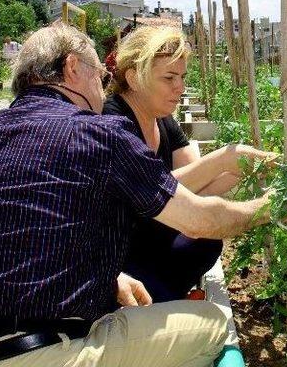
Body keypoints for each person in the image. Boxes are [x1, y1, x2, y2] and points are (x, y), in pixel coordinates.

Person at [0, 22, 276, 367]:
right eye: (98, 74)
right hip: (35, 353)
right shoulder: (97, 133)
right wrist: (270, 207)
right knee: (214, 325)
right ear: (71, 67)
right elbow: (200, 221)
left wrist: (108, 278)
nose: (103, 87)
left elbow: (20, 239)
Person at [104, 26, 252, 304]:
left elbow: (196, 188)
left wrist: (240, 170)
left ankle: (163, 299)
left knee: (207, 240)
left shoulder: (161, 117)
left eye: (182, 77)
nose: (180, 87)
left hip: (155, 237)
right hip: (120, 256)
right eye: (169, 77)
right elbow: (153, 193)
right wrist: (221, 159)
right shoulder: (112, 123)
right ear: (134, 78)